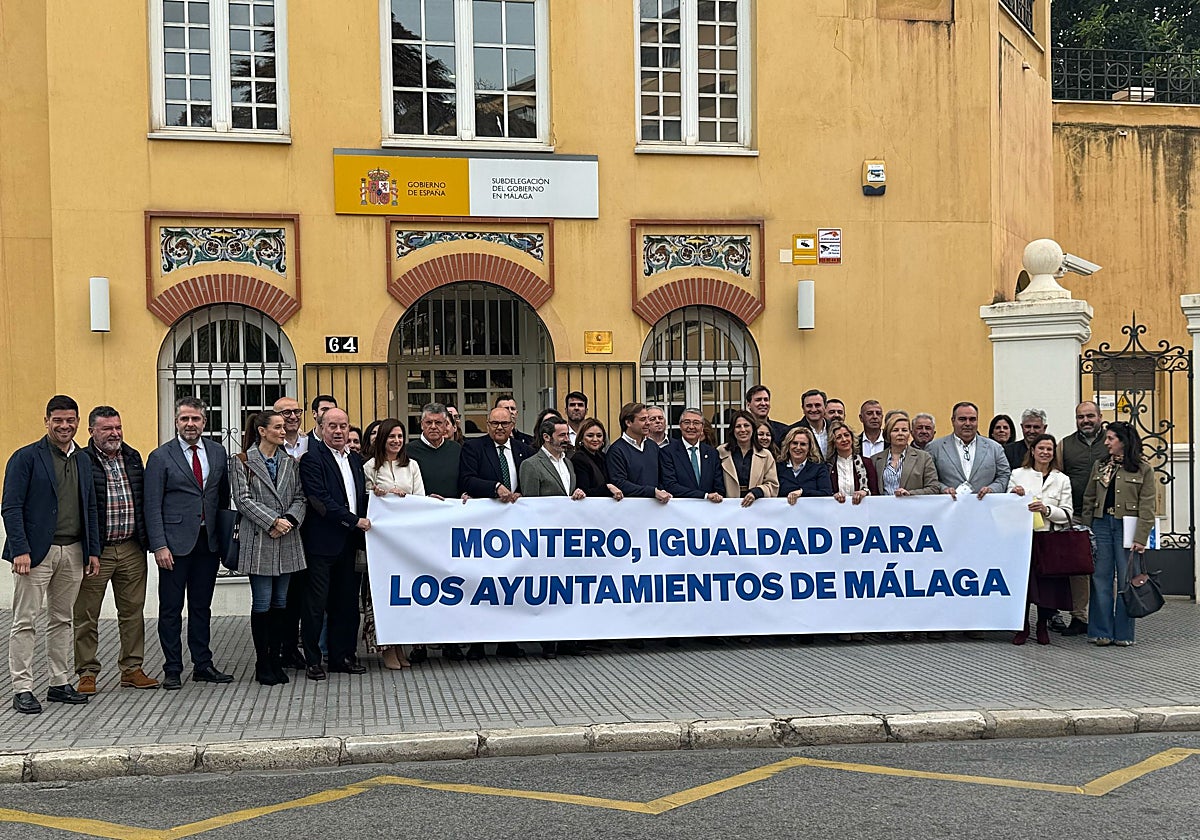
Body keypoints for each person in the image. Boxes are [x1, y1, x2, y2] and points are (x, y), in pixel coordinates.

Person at [2, 395, 101, 714]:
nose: (64, 425)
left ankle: (59, 682)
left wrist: (92, 550)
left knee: (62, 619)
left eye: (70, 420)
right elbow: (11, 506)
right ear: (46, 421)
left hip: (73, 550)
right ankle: (22, 687)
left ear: (77, 421)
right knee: (25, 621)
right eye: (58, 420)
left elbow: (90, 506)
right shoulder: (26, 457)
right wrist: (20, 549)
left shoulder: (83, 459)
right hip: (34, 554)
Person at [144, 396, 232, 690]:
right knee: (170, 609)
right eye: (184, 419)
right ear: (176, 422)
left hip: (207, 544)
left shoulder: (218, 453)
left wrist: (221, 538)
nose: (190, 424)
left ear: (205, 422)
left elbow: (221, 498)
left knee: (201, 608)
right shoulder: (160, 457)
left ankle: (203, 665)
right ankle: (172, 668)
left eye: (195, 419)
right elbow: (152, 505)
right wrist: (159, 546)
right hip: (173, 546)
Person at [74, 406, 157, 694]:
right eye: (107, 428)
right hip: (98, 551)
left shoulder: (132, 457)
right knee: (87, 614)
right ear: (91, 431)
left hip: (132, 547)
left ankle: (132, 669)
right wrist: (88, 550)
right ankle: (87, 672)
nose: (114, 433)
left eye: (117, 427)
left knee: (133, 612)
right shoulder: (81, 460)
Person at [229, 410, 307, 685]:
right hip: (260, 538)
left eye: (283, 427)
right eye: (277, 427)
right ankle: (263, 662)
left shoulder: (289, 462)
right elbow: (243, 499)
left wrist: (288, 520)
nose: (283, 430)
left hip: (287, 539)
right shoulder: (242, 461)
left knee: (281, 603)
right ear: (262, 431)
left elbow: (300, 497)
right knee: (262, 602)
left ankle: (277, 658)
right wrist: (272, 520)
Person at [298, 407, 370, 680]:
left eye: (343, 426)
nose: (339, 432)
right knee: (316, 605)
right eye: (333, 427)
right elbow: (319, 501)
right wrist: (353, 520)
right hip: (322, 543)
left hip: (350, 543)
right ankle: (314, 660)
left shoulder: (354, 460)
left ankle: (343, 657)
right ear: (321, 428)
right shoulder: (312, 459)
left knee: (347, 603)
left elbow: (360, 495)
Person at [458, 407, 534, 659]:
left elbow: (530, 480)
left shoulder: (525, 450)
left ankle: (508, 642)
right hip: (484, 529)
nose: (499, 428)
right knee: (482, 584)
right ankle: (477, 644)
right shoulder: (474, 448)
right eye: (494, 423)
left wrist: (523, 493)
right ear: (487, 424)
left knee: (511, 586)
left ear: (513, 424)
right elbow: (466, 480)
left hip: (516, 529)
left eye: (504, 423)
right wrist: (495, 487)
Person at [1081, 421, 1155, 648]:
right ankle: (1100, 631)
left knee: (1126, 579)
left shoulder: (1143, 468)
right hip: (1102, 524)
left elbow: (1147, 506)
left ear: (1123, 441)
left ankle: (1124, 633)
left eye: (1111, 438)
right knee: (1100, 578)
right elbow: (1089, 499)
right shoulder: (1100, 465)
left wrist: (1141, 537)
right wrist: (1086, 529)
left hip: (1127, 527)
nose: (1106, 442)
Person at [519, 417, 587, 659]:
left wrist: (577, 494)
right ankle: (548, 641)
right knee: (548, 590)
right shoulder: (531, 465)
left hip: (567, 538)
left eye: (567, 435)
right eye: (561, 436)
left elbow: (567, 495)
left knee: (567, 589)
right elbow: (530, 504)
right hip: (545, 537)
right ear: (546, 437)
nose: (566, 440)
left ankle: (568, 638)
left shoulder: (568, 464)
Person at [363, 419, 425, 670]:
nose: (396, 441)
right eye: (392, 437)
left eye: (400, 436)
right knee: (383, 595)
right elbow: (365, 498)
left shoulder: (411, 466)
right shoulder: (369, 467)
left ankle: (401, 646)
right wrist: (381, 494)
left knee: (402, 595)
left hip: (406, 542)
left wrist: (404, 497)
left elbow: (420, 498)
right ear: (382, 439)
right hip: (382, 543)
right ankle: (387, 649)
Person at [406, 403, 463, 662]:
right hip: (421, 529)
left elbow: (465, 479)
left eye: (439, 423)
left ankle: (451, 641)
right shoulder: (409, 452)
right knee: (423, 587)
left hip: (452, 529)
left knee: (452, 586)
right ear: (421, 424)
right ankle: (420, 644)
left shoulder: (456, 450)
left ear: (447, 425)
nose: (433, 427)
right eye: (428, 422)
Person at [1008, 434, 1073, 646]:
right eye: (1041, 448)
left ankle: (1042, 625)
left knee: (1047, 586)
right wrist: (1015, 495)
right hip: (1023, 537)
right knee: (1023, 584)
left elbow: (1067, 514)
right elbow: (1006, 505)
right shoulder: (1018, 474)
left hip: (1049, 537)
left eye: (1049, 449)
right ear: (1033, 451)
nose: (1045, 453)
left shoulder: (1062, 479)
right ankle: (1023, 626)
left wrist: (1047, 509)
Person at [1057, 400, 1106, 636]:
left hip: (1106, 515)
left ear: (1099, 416)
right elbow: (1056, 476)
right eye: (1080, 417)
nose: (1085, 421)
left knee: (1105, 567)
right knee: (1079, 569)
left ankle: (1105, 617)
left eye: (1090, 416)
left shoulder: (1112, 441)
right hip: (1076, 515)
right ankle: (1079, 617)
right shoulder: (1065, 445)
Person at [927, 402, 1011, 501]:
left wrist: (992, 489)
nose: (967, 423)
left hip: (985, 507)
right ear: (953, 421)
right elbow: (929, 478)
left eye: (972, 419)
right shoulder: (934, 448)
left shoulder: (995, 448)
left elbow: (1004, 475)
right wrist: (943, 489)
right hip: (949, 508)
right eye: (962, 419)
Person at [608, 402, 671, 503]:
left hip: (656, 508)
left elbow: (661, 476)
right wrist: (653, 492)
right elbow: (620, 483)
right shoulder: (617, 450)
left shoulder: (652, 446)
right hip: (630, 508)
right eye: (642, 419)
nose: (648, 423)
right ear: (628, 423)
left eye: (647, 418)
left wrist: (662, 490)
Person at [659, 408, 723, 501]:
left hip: (708, 509)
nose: (691, 427)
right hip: (680, 509)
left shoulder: (712, 453)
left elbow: (719, 486)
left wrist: (716, 496)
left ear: (702, 427)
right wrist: (704, 496)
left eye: (696, 423)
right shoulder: (667, 452)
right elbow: (670, 485)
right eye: (687, 422)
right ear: (680, 426)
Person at [871, 414, 942, 497]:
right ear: (888, 434)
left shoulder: (924, 458)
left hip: (912, 507)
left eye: (904, 430)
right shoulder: (875, 460)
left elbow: (934, 488)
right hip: (884, 507)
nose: (900, 433)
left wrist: (910, 494)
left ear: (910, 433)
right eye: (895, 430)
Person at [718, 409, 778, 507]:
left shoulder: (766, 455)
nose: (742, 430)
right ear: (732, 430)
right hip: (727, 507)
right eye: (738, 426)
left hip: (757, 507)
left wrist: (757, 492)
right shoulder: (721, 452)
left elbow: (773, 485)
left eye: (746, 425)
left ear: (753, 428)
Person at [571, 418, 624, 499]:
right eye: (590, 436)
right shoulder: (578, 459)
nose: (595, 439)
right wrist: (608, 488)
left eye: (599, 436)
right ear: (581, 438)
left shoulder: (603, 457)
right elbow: (584, 491)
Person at [826, 420, 878, 503]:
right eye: (839, 437)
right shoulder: (828, 466)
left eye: (846, 435)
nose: (844, 439)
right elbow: (825, 492)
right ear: (833, 443)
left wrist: (865, 492)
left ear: (852, 438)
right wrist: (834, 495)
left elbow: (875, 491)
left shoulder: (866, 463)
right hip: (836, 510)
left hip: (862, 509)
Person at [777, 426, 831, 503]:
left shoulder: (819, 468)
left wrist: (802, 492)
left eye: (803, 444)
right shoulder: (778, 467)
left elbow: (826, 493)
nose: (798, 447)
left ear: (809, 447)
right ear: (788, 445)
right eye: (794, 443)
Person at [796, 389, 830, 454]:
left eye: (817, 405)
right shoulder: (793, 431)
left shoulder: (834, 429)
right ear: (803, 408)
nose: (813, 409)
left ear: (825, 407)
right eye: (809, 406)